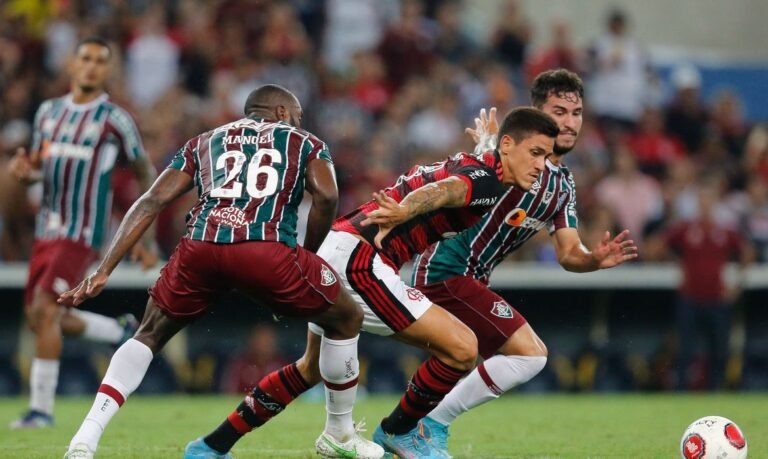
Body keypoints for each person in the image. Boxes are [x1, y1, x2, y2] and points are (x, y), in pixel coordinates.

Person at [190, 107, 559, 459]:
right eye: (536, 153)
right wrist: (407, 209)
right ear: (508, 146)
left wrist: (487, 145)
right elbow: (446, 191)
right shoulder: (488, 180)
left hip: (340, 246)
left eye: (546, 156)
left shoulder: (484, 168)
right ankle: (398, 431)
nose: (541, 165)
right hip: (362, 261)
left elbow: (464, 180)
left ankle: (212, 445)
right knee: (462, 348)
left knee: (312, 368)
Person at [59, 84, 383, 459]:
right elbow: (326, 196)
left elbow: (152, 200)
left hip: (201, 248)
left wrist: (103, 270)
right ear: (280, 112)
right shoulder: (304, 141)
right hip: (267, 251)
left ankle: (85, 439)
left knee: (148, 334)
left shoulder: (205, 141)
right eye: (296, 114)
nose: (299, 121)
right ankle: (340, 434)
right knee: (347, 317)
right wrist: (305, 258)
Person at [411, 69, 639, 458]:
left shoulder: (562, 185)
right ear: (537, 113)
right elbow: (463, 175)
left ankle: (400, 432)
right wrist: (485, 146)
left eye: (577, 112)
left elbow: (569, 253)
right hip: (444, 271)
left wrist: (594, 260)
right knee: (529, 354)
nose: (569, 122)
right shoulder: (509, 156)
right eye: (559, 111)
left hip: (471, 280)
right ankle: (425, 427)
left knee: (462, 362)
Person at [8, 37, 158, 429]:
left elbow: (145, 172)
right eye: (85, 58)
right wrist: (26, 174)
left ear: (108, 70)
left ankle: (40, 411)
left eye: (100, 61)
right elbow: (41, 166)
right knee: (38, 317)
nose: (91, 66)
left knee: (46, 310)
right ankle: (118, 329)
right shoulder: (48, 112)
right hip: (47, 228)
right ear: (72, 65)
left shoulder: (115, 118)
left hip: (82, 231)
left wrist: (145, 235)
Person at [648, 176, 754, 390]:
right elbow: (654, 247)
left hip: (717, 298)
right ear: (697, 202)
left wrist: (736, 285)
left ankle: (716, 391)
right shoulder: (686, 228)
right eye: (702, 199)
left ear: (715, 203)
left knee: (720, 351)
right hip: (690, 297)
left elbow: (748, 253)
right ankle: (681, 391)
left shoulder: (724, 231)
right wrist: (673, 260)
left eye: (709, 199)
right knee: (684, 350)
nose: (705, 204)